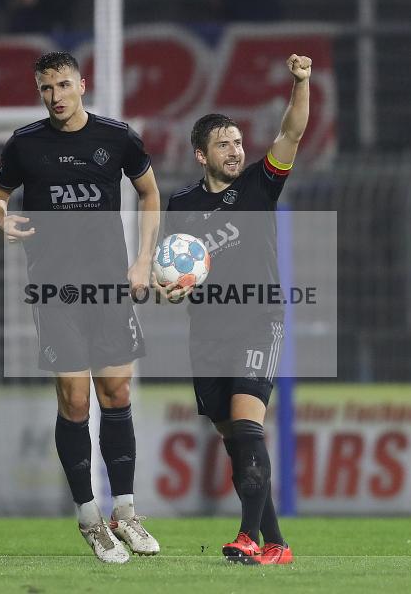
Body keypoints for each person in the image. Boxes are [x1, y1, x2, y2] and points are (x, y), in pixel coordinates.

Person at [0, 51, 161, 564]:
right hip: (55, 290)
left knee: (117, 392)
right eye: (46, 88)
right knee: (76, 402)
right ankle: (89, 518)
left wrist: (143, 259)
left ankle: (125, 513)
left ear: (82, 85)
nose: (55, 96)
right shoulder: (25, 144)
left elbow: (149, 193)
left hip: (109, 287)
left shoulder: (117, 137)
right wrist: (0, 218)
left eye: (63, 85)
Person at [161, 54, 312, 565]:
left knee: (248, 428)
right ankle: (277, 545)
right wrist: (171, 290)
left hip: (257, 321)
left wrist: (300, 83)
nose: (235, 150)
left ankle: (247, 537)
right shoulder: (180, 205)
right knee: (236, 444)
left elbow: (291, 133)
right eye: (223, 144)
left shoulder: (258, 184)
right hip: (207, 333)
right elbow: (175, 272)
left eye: (238, 142)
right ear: (200, 154)